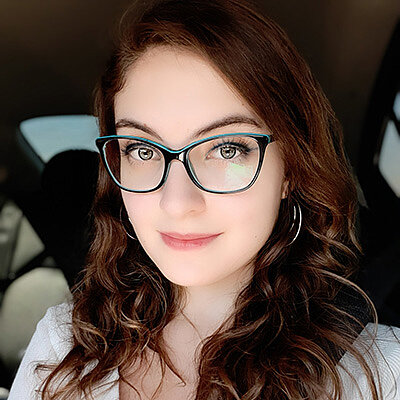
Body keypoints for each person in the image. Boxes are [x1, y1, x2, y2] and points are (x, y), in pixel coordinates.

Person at [8, 0, 400, 399]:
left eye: (227, 149)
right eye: (142, 150)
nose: (176, 203)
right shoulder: (62, 348)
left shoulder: (384, 375)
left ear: (290, 170)